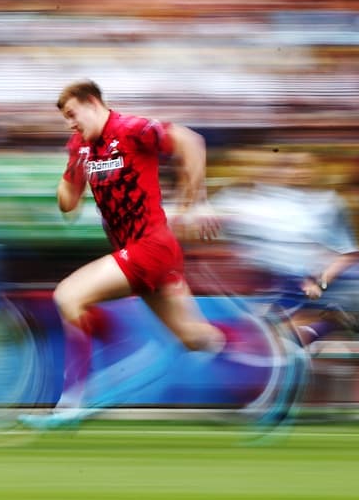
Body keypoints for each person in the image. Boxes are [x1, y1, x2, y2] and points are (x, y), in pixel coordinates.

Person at [18, 80, 224, 430]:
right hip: (139, 252)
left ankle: (71, 402)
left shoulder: (131, 129)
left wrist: (196, 201)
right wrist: (70, 172)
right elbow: (68, 204)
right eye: (65, 118)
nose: (70, 123)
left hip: (150, 248)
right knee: (198, 339)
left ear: (93, 102)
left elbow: (191, 141)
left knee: (69, 296)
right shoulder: (81, 146)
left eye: (72, 114)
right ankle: (269, 353)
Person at [209, 148, 359, 351]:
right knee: (264, 341)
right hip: (266, 279)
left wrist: (320, 282)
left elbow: (346, 253)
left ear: (316, 170)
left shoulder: (328, 203)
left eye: (304, 166)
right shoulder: (262, 197)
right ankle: (324, 324)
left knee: (274, 343)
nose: (296, 172)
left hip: (303, 280)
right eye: (290, 166)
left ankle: (327, 323)